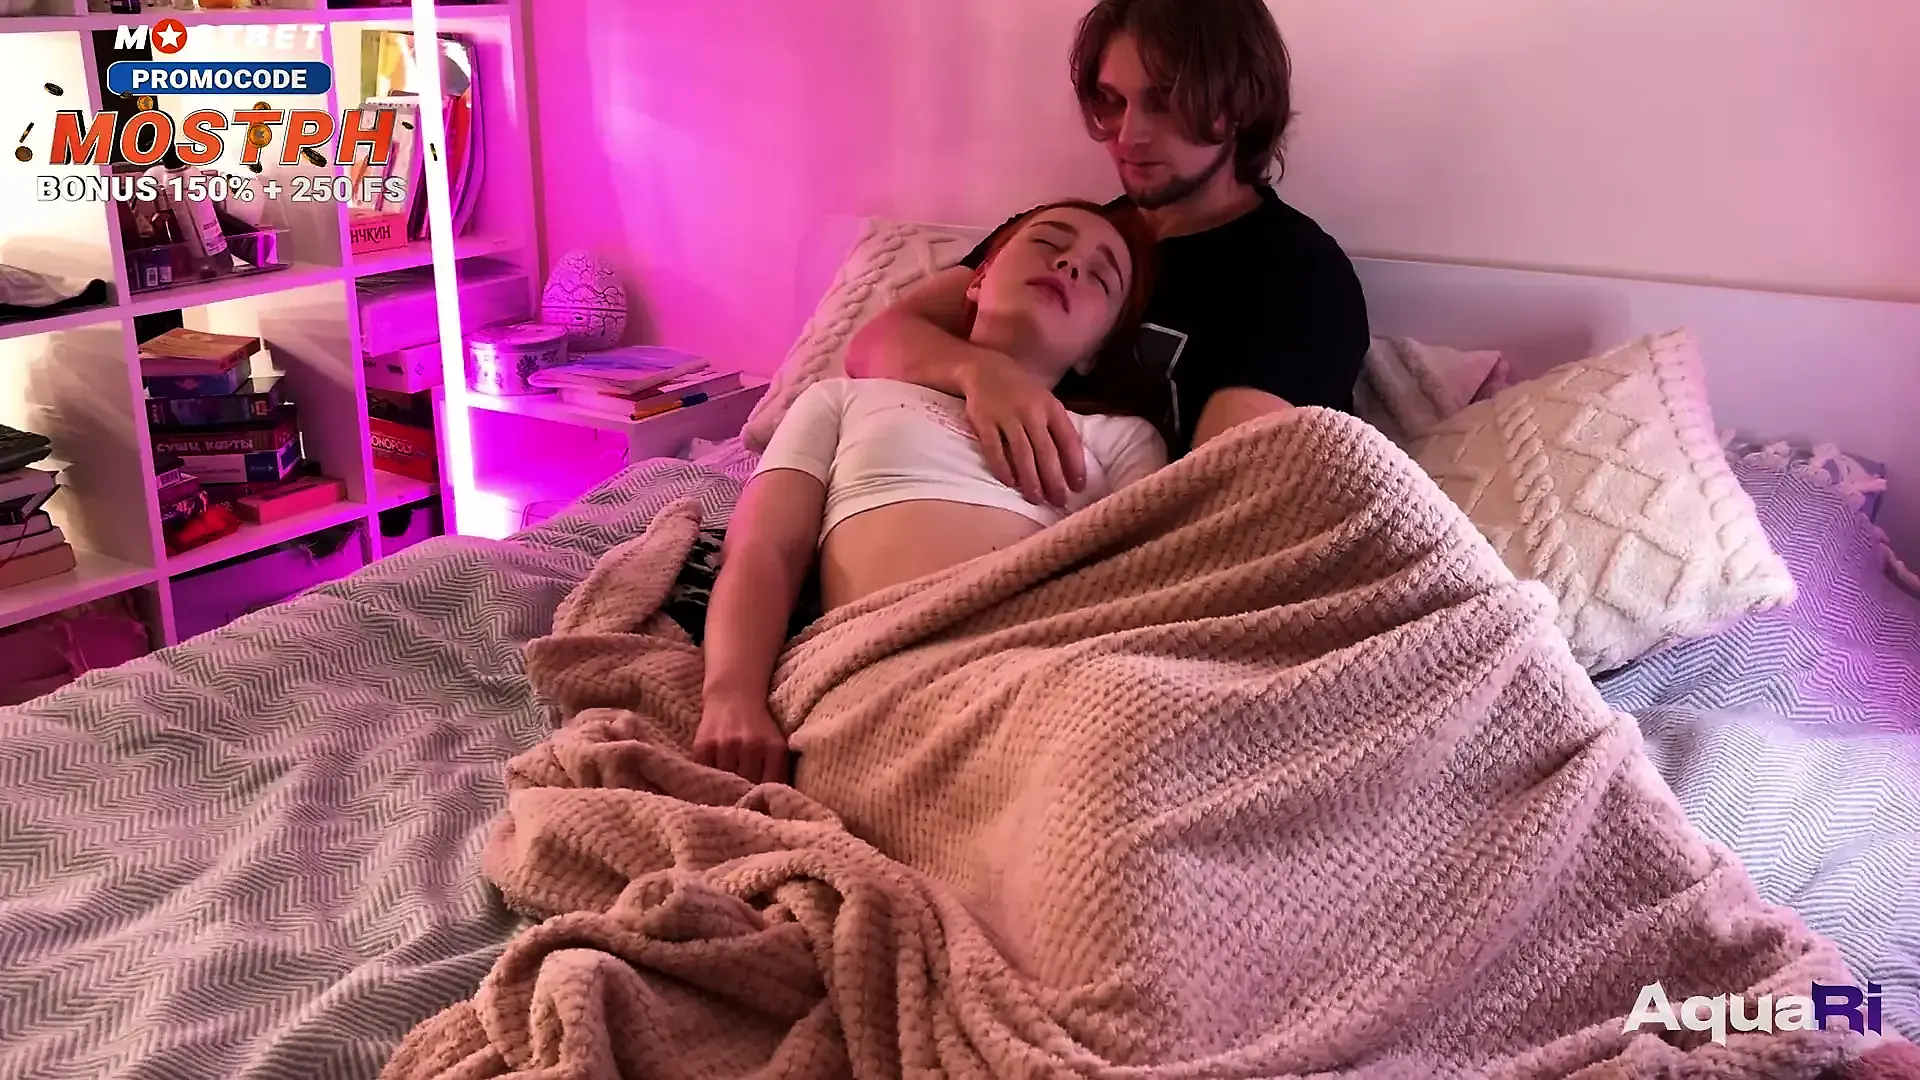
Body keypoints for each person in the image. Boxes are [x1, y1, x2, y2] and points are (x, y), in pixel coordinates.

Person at [691, 200, 1167, 784]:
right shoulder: (845, 398)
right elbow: (764, 549)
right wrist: (731, 695)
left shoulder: (1120, 439)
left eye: (1101, 278)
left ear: (1095, 351)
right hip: (880, 671)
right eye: (1049, 243)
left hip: (1050, 682)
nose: (1070, 265)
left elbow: (1148, 592)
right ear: (978, 280)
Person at [844, 0, 1370, 508]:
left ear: (1241, 105)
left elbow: (1223, 498)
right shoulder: (1063, 234)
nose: (1128, 135)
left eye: (1164, 102)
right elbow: (874, 343)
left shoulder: (1300, 275)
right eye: (1110, 101)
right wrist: (980, 373)